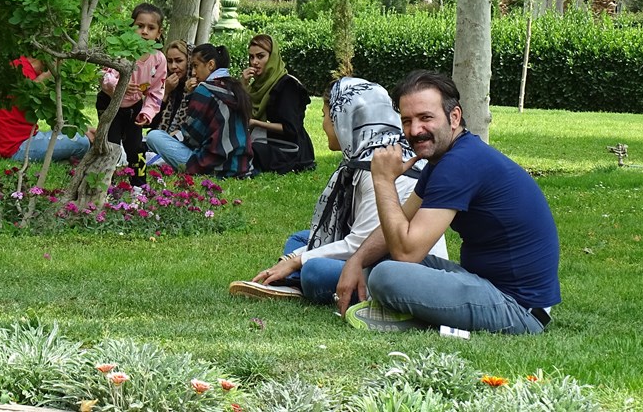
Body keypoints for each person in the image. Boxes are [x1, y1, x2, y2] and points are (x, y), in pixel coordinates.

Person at [336, 70, 561, 334]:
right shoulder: (445, 159)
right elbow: (403, 222)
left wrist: (384, 182)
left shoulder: (459, 163)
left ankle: (417, 317)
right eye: (406, 121)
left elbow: (406, 253)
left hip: (519, 308)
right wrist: (356, 260)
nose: (415, 130)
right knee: (375, 262)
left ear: (454, 117)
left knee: (387, 275)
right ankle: (415, 312)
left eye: (426, 118)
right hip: (480, 284)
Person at [228, 77, 448, 303]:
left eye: (326, 116)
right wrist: (298, 256)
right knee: (302, 238)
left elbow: (362, 244)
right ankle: (292, 280)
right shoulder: (366, 158)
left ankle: (295, 280)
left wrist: (297, 260)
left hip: (397, 268)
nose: (324, 124)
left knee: (316, 271)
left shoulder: (379, 166)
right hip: (374, 252)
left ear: (344, 120)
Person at [145, 43, 253, 177]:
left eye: (196, 66)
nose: (194, 72)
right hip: (240, 166)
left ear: (211, 65)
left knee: (153, 136)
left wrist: (178, 134)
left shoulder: (205, 89)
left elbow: (192, 138)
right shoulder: (235, 87)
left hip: (210, 166)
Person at [97, 2, 167, 186]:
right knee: (110, 147)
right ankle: (104, 184)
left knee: (136, 147)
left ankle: (139, 184)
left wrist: (148, 112)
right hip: (110, 104)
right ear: (131, 28)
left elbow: (156, 90)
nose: (144, 31)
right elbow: (104, 75)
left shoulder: (159, 59)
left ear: (158, 33)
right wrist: (119, 86)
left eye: (150, 28)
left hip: (134, 108)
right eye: (139, 26)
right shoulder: (120, 52)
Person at [242, 34, 315, 173]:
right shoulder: (256, 85)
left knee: (244, 152)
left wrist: (256, 123)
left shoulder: (287, 86)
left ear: (272, 57)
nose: (254, 62)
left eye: (260, 56)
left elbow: (291, 129)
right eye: (251, 57)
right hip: (267, 142)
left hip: (290, 150)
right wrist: (243, 85)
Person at [0, 56, 90, 162]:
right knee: (83, 142)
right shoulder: (19, 68)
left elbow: (55, 115)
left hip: (28, 138)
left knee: (77, 135)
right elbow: (30, 93)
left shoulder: (23, 65)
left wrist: (82, 129)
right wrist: (49, 72)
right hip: (16, 149)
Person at [150, 40, 193, 135]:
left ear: (189, 61)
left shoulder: (196, 85)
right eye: (169, 61)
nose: (173, 66)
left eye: (179, 61)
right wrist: (165, 92)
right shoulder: (165, 82)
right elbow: (151, 121)